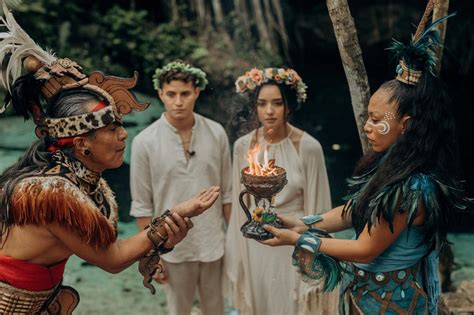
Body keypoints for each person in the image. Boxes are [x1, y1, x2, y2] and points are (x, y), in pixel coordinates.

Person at [0, 9, 219, 314]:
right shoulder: (51, 193)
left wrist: (159, 241)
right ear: (81, 143)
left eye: (121, 126)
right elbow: (112, 258)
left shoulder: (88, 184)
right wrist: (173, 217)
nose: (123, 136)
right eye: (113, 128)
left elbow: (111, 250)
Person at [260, 4, 469, 314]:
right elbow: (353, 210)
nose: (367, 127)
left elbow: (365, 248)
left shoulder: (414, 187)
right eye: (368, 118)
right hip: (367, 299)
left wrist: (296, 239)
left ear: (406, 125)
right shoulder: (389, 164)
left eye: (375, 119)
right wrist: (304, 223)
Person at [225, 67, 339, 314]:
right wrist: (238, 254)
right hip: (256, 245)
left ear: (289, 106)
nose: (269, 111)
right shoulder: (242, 146)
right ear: (254, 107)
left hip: (294, 243)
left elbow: (319, 209)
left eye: (277, 103)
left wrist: (311, 253)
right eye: (262, 103)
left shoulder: (308, 148)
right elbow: (238, 206)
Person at [129, 61, 232, 315]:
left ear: (196, 92)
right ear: (161, 94)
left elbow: (228, 195)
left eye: (185, 94)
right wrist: (153, 255)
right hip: (171, 248)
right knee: (179, 311)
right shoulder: (144, 142)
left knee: (217, 310)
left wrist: (235, 244)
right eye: (171, 94)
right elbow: (142, 206)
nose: (178, 102)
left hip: (214, 245)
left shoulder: (217, 133)